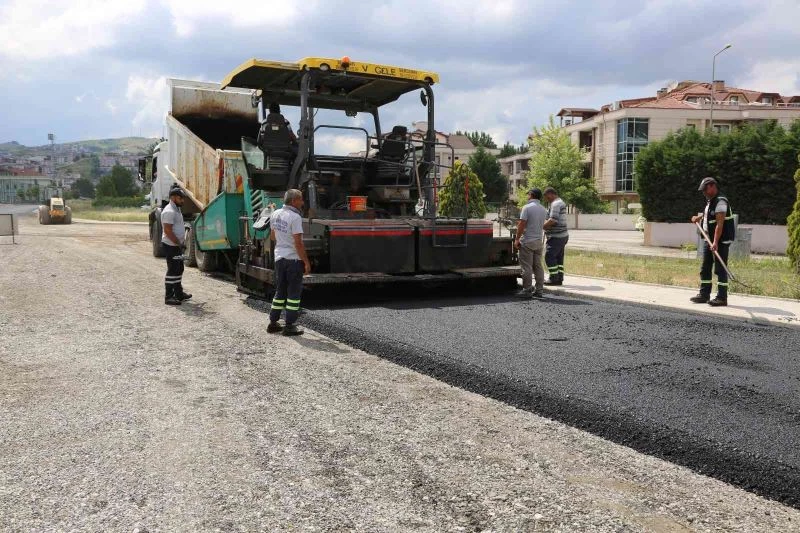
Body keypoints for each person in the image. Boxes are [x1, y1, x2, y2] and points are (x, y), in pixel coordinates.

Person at [268, 189, 311, 336]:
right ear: (294, 201)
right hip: (293, 260)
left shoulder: (275, 214)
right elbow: (298, 243)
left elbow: (273, 237)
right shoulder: (295, 217)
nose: (303, 202)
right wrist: (306, 262)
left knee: (280, 290)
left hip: (279, 258)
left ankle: (273, 323)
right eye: (301, 199)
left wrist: (283, 239)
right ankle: (290, 325)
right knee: (293, 293)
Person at [690, 177, 736, 307]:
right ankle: (704, 295)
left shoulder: (721, 202)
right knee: (705, 267)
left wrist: (715, 242)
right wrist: (697, 217)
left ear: (712, 186)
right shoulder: (711, 201)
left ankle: (722, 297)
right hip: (709, 239)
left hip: (720, 241)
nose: (703, 192)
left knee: (720, 269)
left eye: (705, 189)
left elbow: (719, 225)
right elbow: (708, 214)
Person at [514, 188, 548, 298]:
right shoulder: (543, 209)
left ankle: (527, 289)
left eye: (528, 194)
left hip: (528, 241)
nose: (527, 196)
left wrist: (517, 239)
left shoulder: (527, 208)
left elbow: (522, 224)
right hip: (538, 242)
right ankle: (539, 290)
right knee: (538, 266)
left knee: (527, 267)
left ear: (532, 195)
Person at [161, 184, 191, 305]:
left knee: (179, 268)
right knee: (172, 270)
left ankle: (179, 294)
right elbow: (168, 231)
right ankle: (169, 297)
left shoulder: (176, 209)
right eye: (180, 198)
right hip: (171, 245)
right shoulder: (169, 211)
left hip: (176, 245)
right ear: (173, 198)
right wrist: (179, 243)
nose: (182, 200)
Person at [542, 187, 569, 285]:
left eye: (546, 197)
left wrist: (543, 226)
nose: (546, 199)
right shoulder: (560, 202)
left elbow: (553, 220)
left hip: (556, 236)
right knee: (558, 258)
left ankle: (553, 278)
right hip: (563, 235)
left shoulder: (556, 204)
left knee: (549, 256)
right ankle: (559, 278)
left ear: (551, 194)